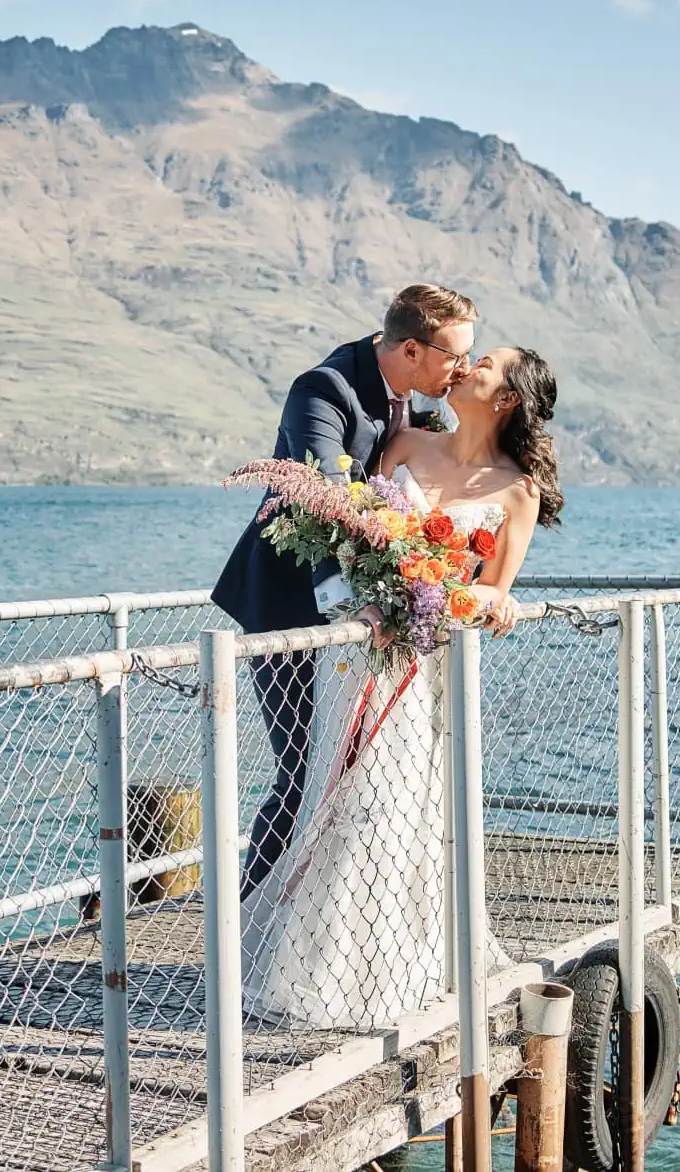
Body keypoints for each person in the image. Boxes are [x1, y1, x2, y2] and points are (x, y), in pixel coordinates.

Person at [240, 346, 564, 1028]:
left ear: (506, 398)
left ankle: (387, 973)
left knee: (395, 809)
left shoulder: (517, 492)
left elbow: (491, 595)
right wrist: (381, 584)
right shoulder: (407, 441)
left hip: (426, 669)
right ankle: (312, 967)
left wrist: (480, 602)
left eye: (488, 364)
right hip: (359, 659)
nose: (470, 364)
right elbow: (357, 531)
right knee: (335, 792)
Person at [212, 283, 481, 901]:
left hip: (371, 615)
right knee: (301, 771)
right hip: (290, 609)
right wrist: (351, 609)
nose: (462, 368)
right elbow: (325, 502)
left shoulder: (410, 398)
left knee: (355, 771)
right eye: (454, 355)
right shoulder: (324, 390)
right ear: (412, 349)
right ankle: (248, 920)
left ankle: (331, 909)